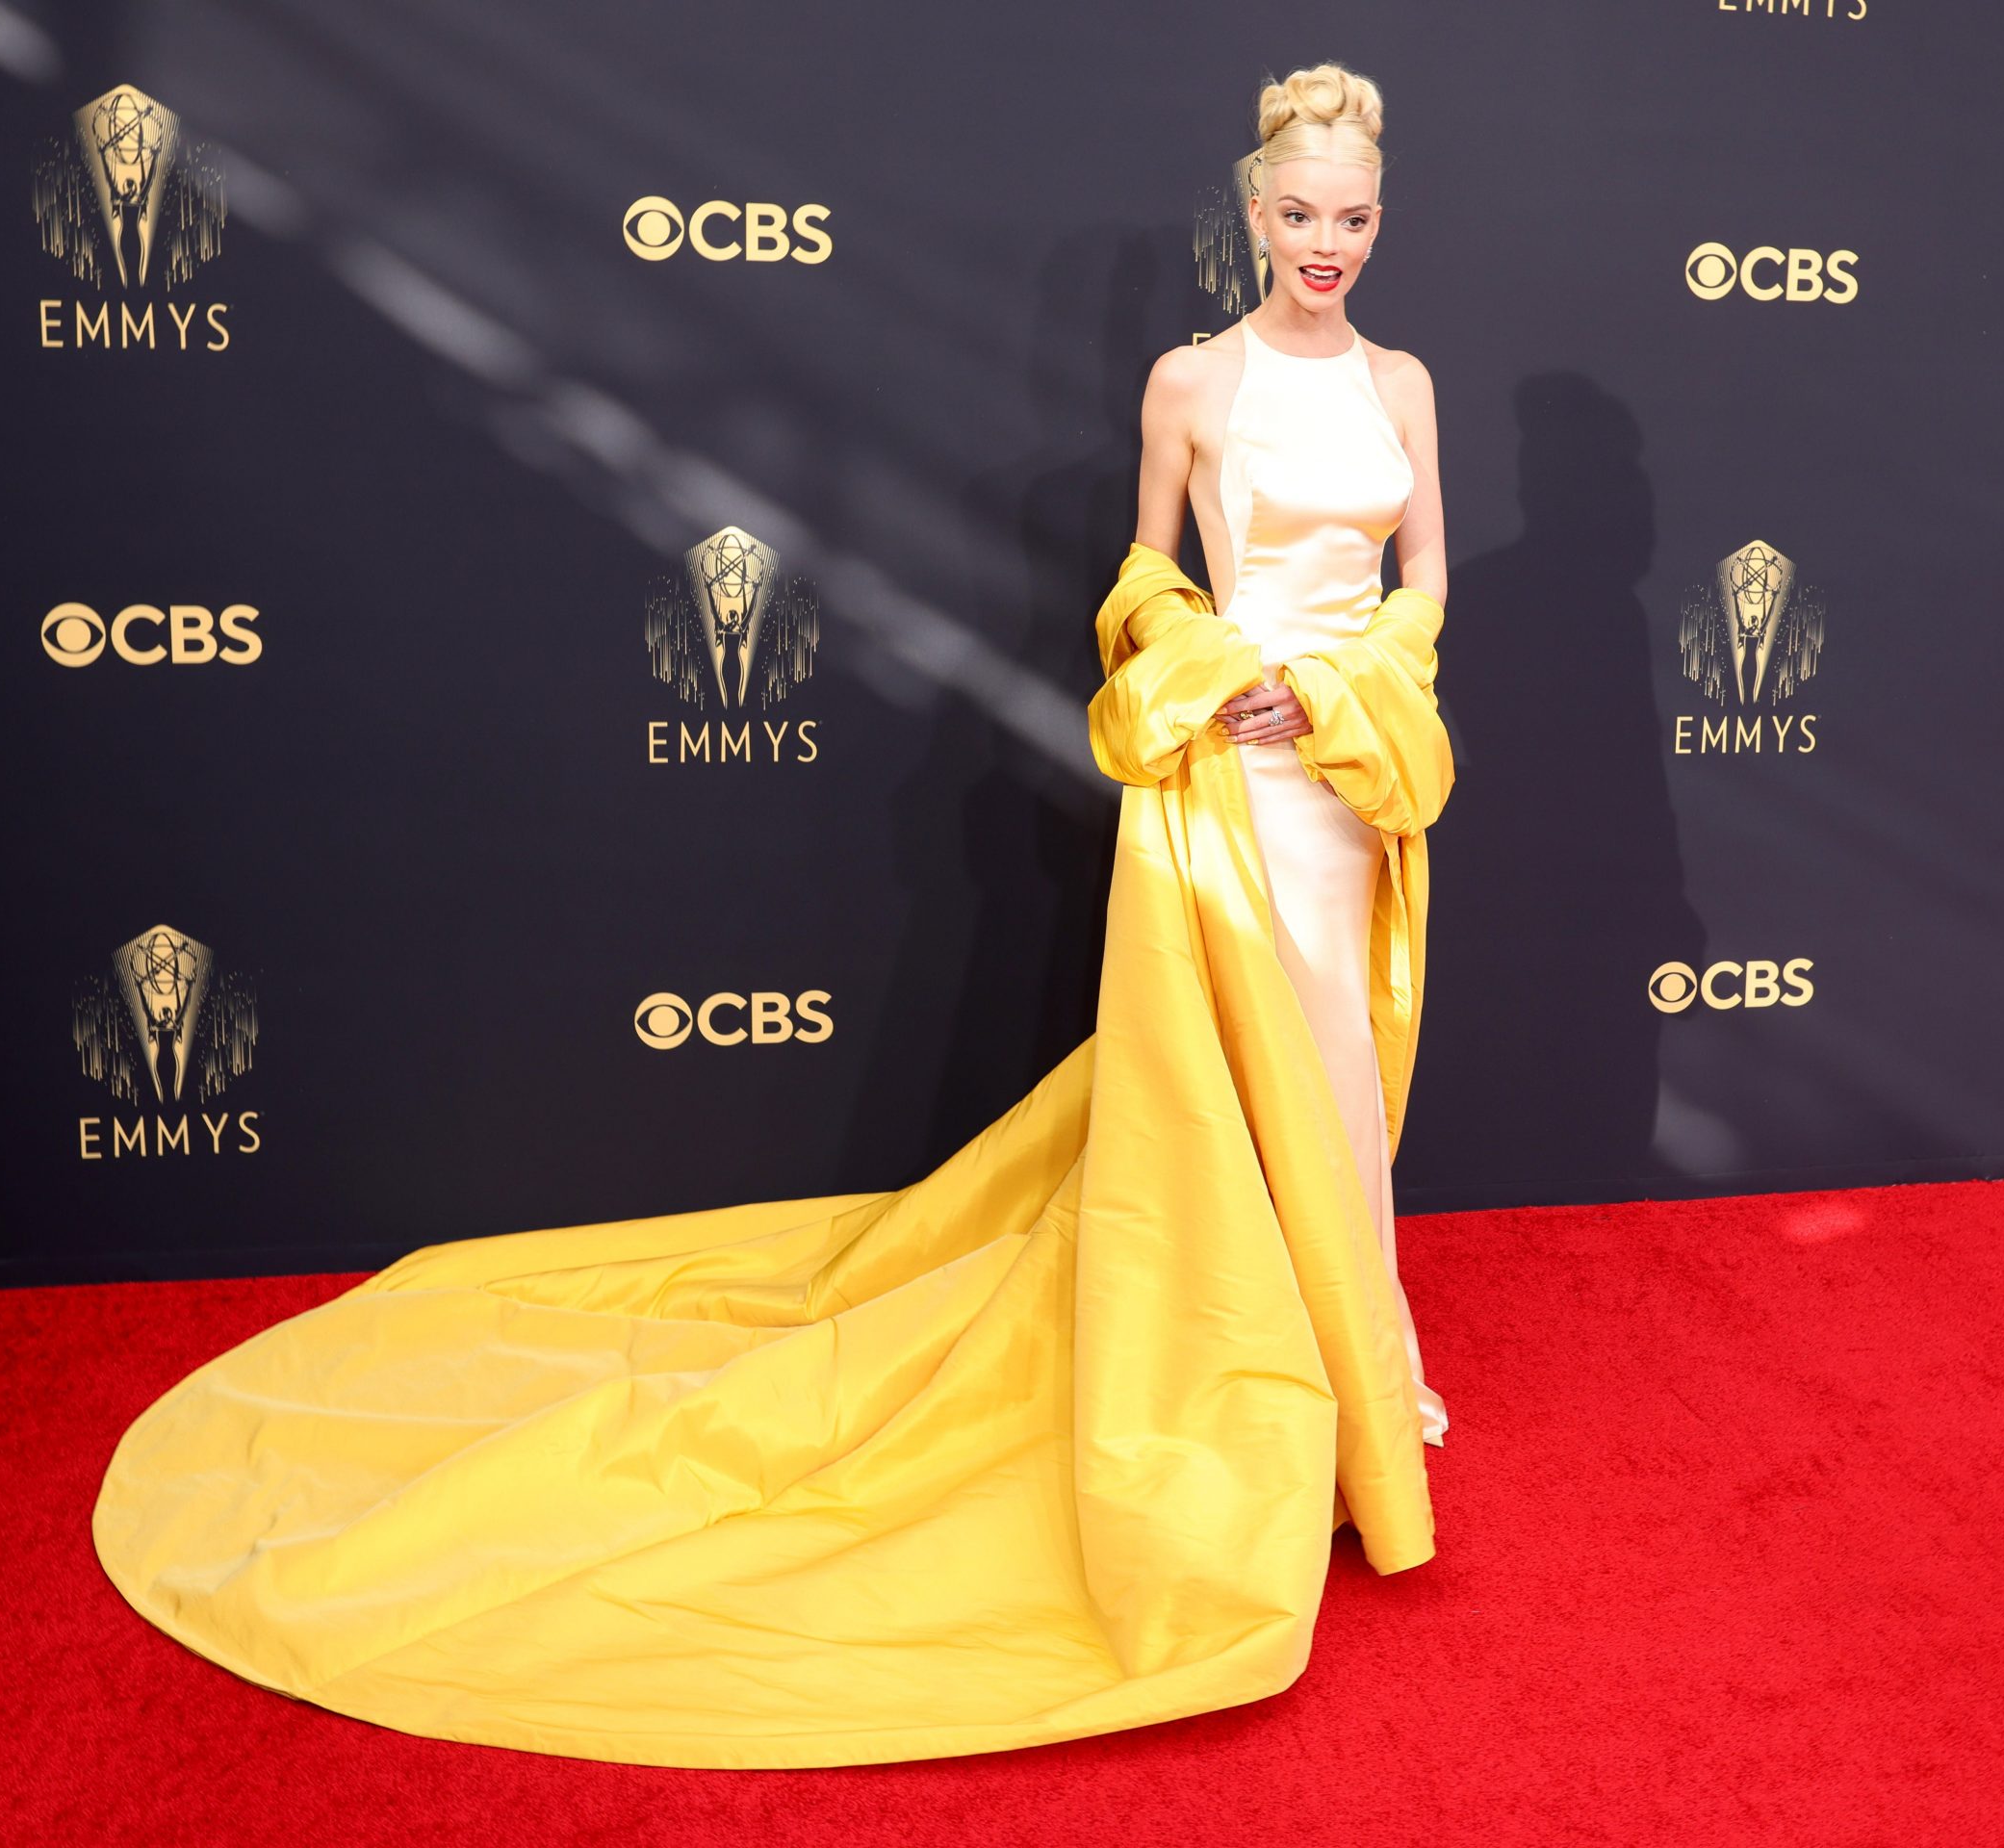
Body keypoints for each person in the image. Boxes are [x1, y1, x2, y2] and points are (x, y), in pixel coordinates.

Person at [92, 60, 1455, 1770]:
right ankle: (1237, 1389)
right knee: (1219, 1097)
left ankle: (1356, 1366)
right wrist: (1224, 678)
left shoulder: (1405, 382)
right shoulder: (1191, 380)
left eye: (1352, 219)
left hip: (1345, 789)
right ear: (1254, 212)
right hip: (1225, 791)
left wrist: (1342, 703)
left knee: (1339, 1077)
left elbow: (1429, 591)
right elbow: (1141, 585)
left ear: (1378, 219)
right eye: (1298, 216)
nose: (1324, 244)